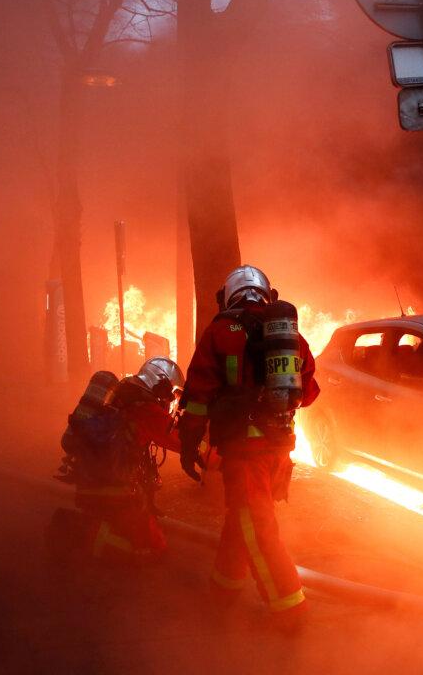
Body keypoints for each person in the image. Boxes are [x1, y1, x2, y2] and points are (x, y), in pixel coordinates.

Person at [176, 265, 319, 629]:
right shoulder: (289, 336)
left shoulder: (220, 331)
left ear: (228, 296)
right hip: (279, 450)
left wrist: (190, 443)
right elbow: (309, 392)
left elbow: (197, 397)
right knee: (244, 518)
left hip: (243, 452)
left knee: (257, 526)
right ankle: (224, 587)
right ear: (267, 295)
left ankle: (290, 609)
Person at [49, 357, 183, 565]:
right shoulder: (147, 410)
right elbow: (183, 442)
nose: (170, 402)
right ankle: (79, 531)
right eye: (171, 394)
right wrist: (221, 451)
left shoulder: (121, 397)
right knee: (153, 550)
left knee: (146, 535)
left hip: (91, 482)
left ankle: (91, 528)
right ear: (162, 384)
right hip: (116, 492)